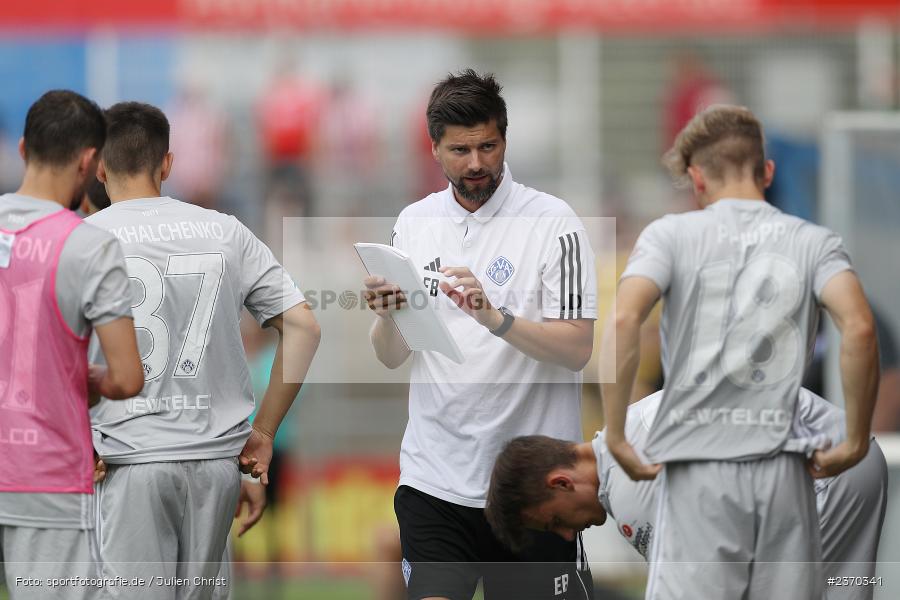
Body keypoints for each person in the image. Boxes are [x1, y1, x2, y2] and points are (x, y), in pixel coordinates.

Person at [599, 105, 880, 599]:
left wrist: (618, 434)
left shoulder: (670, 235)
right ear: (766, 172)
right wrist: (855, 439)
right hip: (783, 474)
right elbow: (858, 328)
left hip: (699, 470)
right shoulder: (814, 242)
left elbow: (624, 319)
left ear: (696, 178)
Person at [364, 70, 597, 600]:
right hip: (435, 480)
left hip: (531, 490)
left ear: (505, 140)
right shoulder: (413, 222)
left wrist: (497, 320)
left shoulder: (554, 222)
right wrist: (386, 316)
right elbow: (392, 356)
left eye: (488, 146)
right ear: (435, 150)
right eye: (460, 149)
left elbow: (578, 348)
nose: (475, 163)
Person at [87, 101, 321, 600]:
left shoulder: (83, 241)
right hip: (216, 465)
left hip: (131, 458)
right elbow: (303, 326)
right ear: (167, 164)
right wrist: (264, 432)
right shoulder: (225, 230)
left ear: (98, 165)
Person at [485, 387, 889, 600]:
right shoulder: (632, 424)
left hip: (827, 475)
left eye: (555, 521)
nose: (567, 535)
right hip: (844, 456)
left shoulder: (630, 487)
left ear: (561, 482)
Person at [0, 90, 144, 599]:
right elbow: (126, 377)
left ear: (23, 149)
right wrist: (85, 379)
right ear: (89, 162)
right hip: (42, 473)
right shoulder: (88, 242)